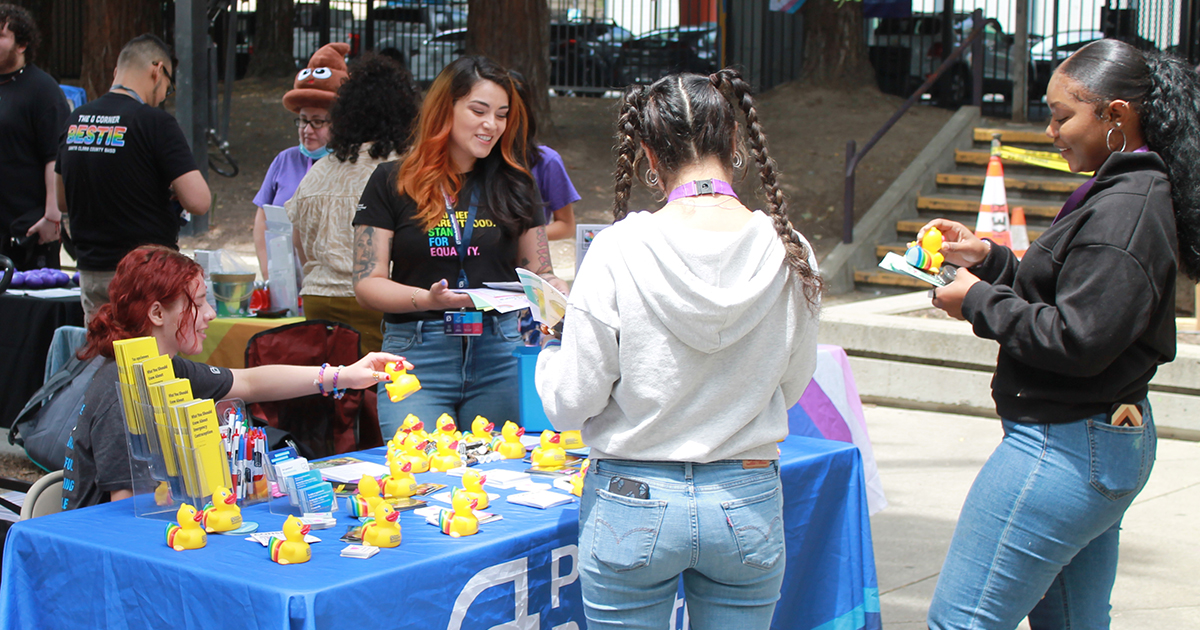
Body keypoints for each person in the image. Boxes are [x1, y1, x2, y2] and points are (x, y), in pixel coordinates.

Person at [924, 40, 1200, 629]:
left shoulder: (1125, 207)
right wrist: (992, 260)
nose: (1050, 130)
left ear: (1116, 114)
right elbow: (1083, 293)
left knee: (962, 621)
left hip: (1066, 447)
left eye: (1062, 115)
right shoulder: (1125, 193)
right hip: (1097, 441)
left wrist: (976, 300)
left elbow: (1078, 338)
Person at [534, 69, 822, 629]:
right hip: (747, 495)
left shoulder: (619, 249)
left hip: (632, 497)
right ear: (734, 144)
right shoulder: (788, 247)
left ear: (647, 153)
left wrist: (551, 351)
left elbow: (571, 402)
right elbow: (791, 382)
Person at [62, 245, 408, 510]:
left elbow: (251, 382)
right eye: (199, 302)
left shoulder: (162, 366)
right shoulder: (125, 389)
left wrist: (345, 375)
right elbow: (125, 507)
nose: (211, 314)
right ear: (156, 313)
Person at [352, 55, 566, 435]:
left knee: (500, 478)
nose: (492, 125)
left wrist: (555, 289)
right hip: (417, 351)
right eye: (479, 110)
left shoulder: (517, 184)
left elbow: (540, 270)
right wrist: (428, 299)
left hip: (499, 351)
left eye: (501, 114)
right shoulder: (391, 181)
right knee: (418, 475)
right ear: (444, 109)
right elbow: (367, 283)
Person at [56, 33, 211, 323]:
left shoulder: (75, 119)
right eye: (168, 85)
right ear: (157, 70)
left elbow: (62, 200)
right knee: (145, 365)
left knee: (102, 362)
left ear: (117, 72)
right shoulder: (155, 122)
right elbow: (199, 201)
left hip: (91, 270)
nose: (165, 94)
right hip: (146, 275)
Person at [287, 53, 421, 354]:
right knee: (379, 393)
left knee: (334, 394)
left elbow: (299, 242)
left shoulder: (318, 171)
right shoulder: (409, 170)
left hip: (318, 300)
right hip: (380, 302)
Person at [252, 42, 347, 282]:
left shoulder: (347, 165)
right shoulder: (284, 160)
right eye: (303, 120)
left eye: (318, 122)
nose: (307, 129)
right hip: (282, 272)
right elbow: (261, 217)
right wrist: (268, 271)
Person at [0, 4, 70, 270]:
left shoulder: (42, 90)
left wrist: (52, 216)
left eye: (1, 35)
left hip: (28, 230)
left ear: (22, 44)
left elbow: (55, 156)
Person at [510, 71, 581, 242]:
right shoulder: (473, 157)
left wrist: (521, 237)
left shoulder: (546, 161)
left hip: (527, 263)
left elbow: (566, 225)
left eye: (507, 111)